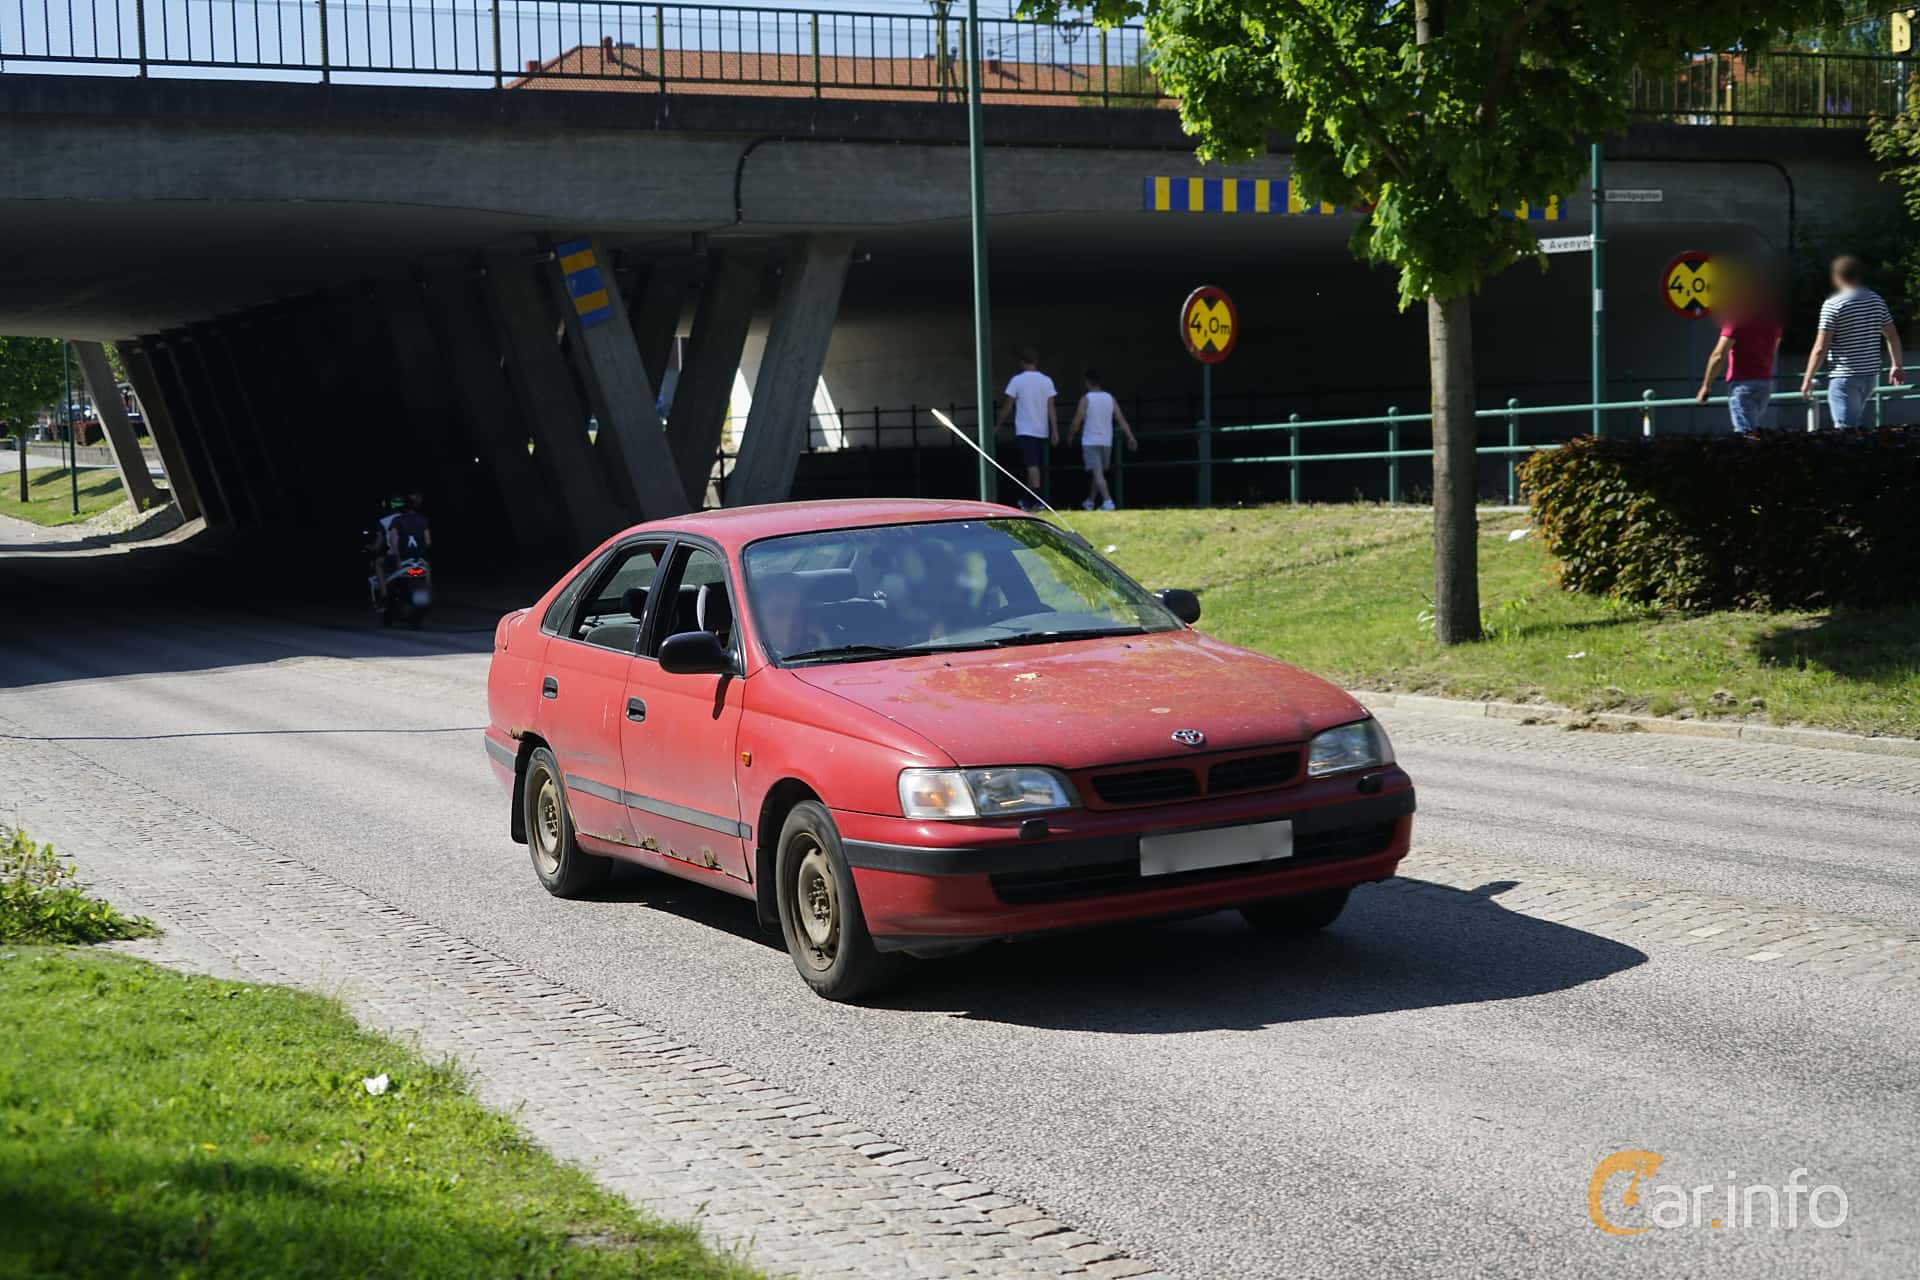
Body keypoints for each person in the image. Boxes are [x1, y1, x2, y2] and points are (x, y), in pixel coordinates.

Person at [1800, 256, 1904, 427]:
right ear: (1857, 275)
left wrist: (1808, 378)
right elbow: (1891, 335)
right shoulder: (1876, 300)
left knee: (1845, 430)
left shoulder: (1833, 305)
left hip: (1845, 377)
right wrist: (1897, 365)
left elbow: (1820, 347)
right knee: (1853, 425)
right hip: (1870, 376)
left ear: (1836, 277)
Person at [1694, 262, 1783, 432]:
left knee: (1745, 434)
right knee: (1752, 429)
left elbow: (1718, 355)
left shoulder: (1737, 318)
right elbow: (1774, 346)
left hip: (1742, 383)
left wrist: (1706, 385)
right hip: (1764, 382)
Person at [994, 348, 1057, 509]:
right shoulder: (1047, 381)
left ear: (1022, 363)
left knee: (1032, 466)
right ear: (1036, 362)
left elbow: (1008, 406)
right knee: (1033, 465)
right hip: (1041, 430)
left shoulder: (1017, 380)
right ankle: (1027, 500)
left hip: (1025, 429)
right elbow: (1051, 408)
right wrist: (1054, 430)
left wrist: (998, 425)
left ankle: (1038, 499)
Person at [1067, 370, 1138, 510]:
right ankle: (1090, 501)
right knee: (1098, 473)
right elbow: (1121, 419)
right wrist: (1130, 436)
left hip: (1091, 440)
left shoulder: (1086, 399)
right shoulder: (1109, 398)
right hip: (1106, 440)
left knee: (1097, 473)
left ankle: (1108, 501)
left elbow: (1077, 421)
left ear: (1087, 382)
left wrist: (1070, 435)